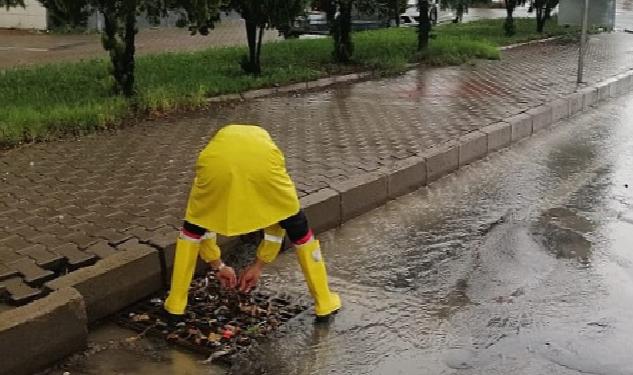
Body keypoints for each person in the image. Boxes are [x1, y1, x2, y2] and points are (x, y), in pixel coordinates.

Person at [163, 124, 341, 322]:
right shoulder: (265, 145)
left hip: (215, 166)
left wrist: (218, 265)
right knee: (297, 227)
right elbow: (275, 226)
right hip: (265, 165)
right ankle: (324, 302)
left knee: (192, 228)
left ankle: (175, 305)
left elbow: (203, 225)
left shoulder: (216, 148)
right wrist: (259, 265)